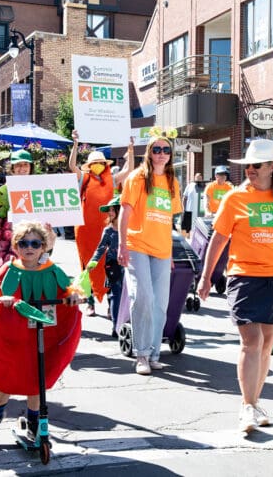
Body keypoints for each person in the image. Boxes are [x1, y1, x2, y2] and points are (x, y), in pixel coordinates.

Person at [197, 139, 273, 433]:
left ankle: (255, 401)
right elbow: (219, 238)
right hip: (244, 276)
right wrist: (206, 276)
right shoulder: (235, 198)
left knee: (266, 347)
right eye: (247, 165)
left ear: (271, 167)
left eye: (255, 165)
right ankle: (247, 407)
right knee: (251, 342)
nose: (249, 169)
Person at [0, 221, 82, 442]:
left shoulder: (52, 269)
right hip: (15, 334)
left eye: (35, 243)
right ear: (15, 246)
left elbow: (68, 287)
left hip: (42, 333)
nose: (29, 247)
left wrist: (73, 295)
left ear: (43, 247)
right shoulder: (10, 269)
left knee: (36, 381)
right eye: (23, 243)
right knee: (7, 380)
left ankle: (34, 423)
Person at [118, 126, 182, 375]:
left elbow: (169, 221)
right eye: (157, 149)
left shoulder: (172, 181)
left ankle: (155, 352)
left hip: (163, 250)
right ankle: (142, 354)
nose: (162, 153)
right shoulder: (137, 178)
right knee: (142, 297)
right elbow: (125, 211)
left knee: (160, 303)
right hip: (137, 246)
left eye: (166, 149)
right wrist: (122, 245)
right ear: (149, 153)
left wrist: (173, 253)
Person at [69, 130, 134, 311]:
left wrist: (130, 149)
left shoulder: (112, 179)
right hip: (85, 230)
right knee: (88, 264)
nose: (97, 166)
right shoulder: (84, 178)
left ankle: (109, 300)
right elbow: (72, 166)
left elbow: (128, 170)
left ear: (105, 164)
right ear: (89, 165)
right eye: (94, 163)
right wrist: (75, 144)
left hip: (107, 229)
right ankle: (90, 303)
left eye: (100, 163)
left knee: (107, 264)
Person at [0, 149, 55, 266]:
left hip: (35, 239)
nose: (22, 168)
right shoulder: (5, 190)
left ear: (31, 167)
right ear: (12, 168)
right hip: (12, 242)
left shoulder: (41, 186)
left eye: (25, 164)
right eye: (18, 165)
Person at [88, 196, 123, 337]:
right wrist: (94, 261)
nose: (110, 213)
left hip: (128, 265)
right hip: (113, 266)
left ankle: (128, 323)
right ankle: (116, 326)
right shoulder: (108, 231)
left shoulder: (130, 229)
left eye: (113, 210)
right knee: (115, 295)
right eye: (109, 210)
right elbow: (101, 248)